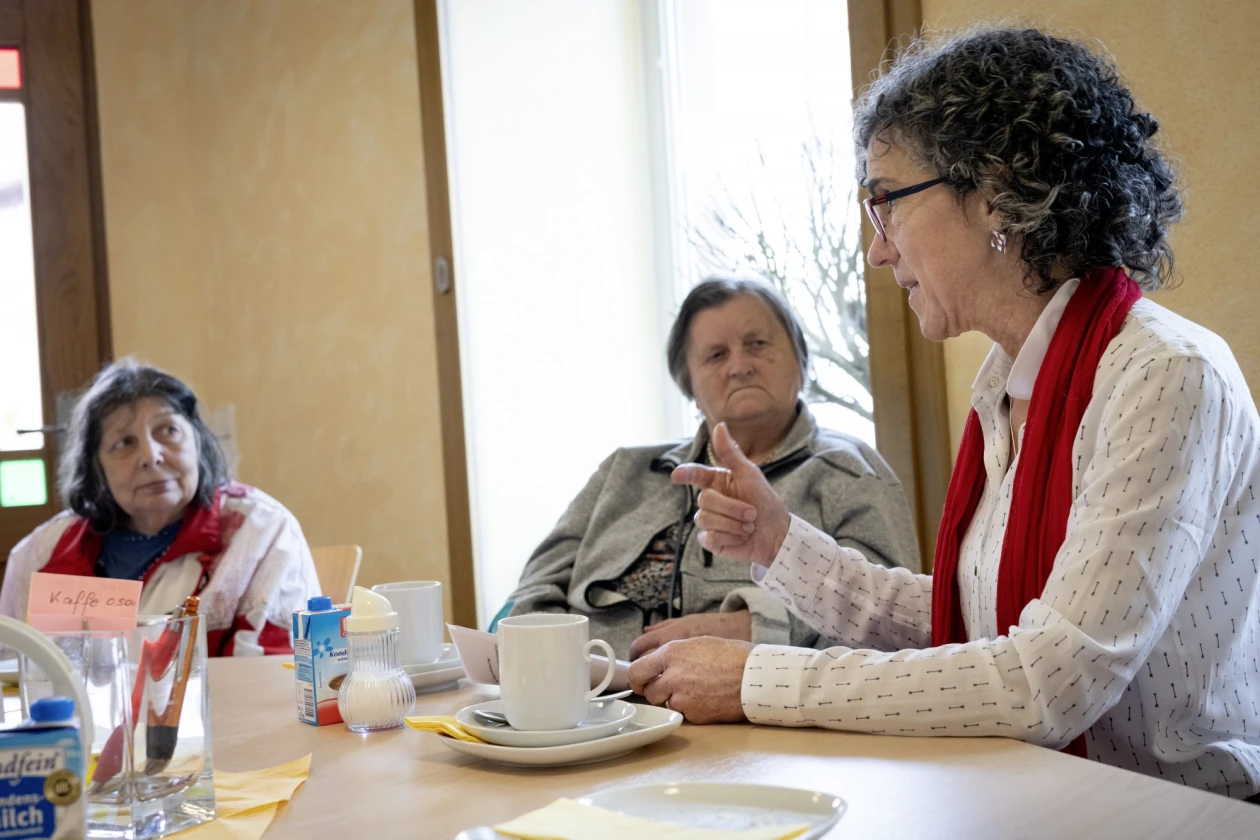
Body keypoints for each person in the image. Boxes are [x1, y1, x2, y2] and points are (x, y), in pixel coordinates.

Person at [628, 27, 1260, 800]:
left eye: (885, 200)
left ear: (994, 192)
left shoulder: (1165, 375)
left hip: (1178, 816)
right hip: (1037, 796)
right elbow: (969, 622)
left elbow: (1045, 681)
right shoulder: (1010, 384)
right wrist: (780, 542)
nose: (877, 250)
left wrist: (759, 679)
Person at [504, 276, 919, 660]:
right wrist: (547, 670)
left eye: (757, 343)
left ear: (801, 360)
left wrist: (752, 627)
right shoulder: (625, 470)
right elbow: (533, 591)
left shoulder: (850, 471)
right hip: (592, 703)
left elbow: (891, 628)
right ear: (689, 385)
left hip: (744, 713)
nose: (739, 366)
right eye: (716, 355)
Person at [1, 359, 320, 656]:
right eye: (124, 442)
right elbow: (16, 673)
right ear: (95, 467)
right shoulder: (41, 552)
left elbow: (271, 674)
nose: (150, 456)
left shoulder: (260, 532)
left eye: (168, 430)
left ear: (197, 441)